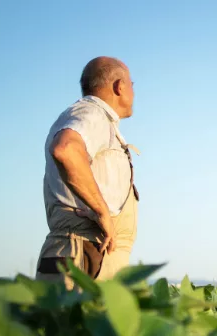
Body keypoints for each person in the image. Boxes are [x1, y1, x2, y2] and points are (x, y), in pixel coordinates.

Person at [35, 56, 139, 288]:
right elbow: (66, 149)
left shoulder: (91, 117)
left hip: (86, 253)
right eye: (132, 84)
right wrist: (102, 211)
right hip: (86, 254)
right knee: (80, 323)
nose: (133, 91)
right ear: (119, 86)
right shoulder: (91, 114)